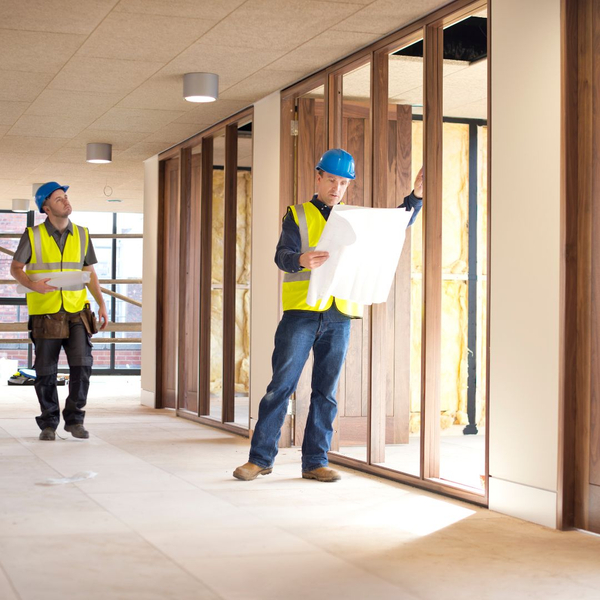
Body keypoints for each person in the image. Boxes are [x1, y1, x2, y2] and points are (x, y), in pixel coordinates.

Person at [234, 149, 423, 482]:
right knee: (281, 387)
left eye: (344, 182)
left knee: (326, 392)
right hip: (301, 314)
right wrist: (300, 259)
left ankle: (315, 462)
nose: (337, 188)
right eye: (332, 180)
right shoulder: (298, 214)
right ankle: (260, 459)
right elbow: (282, 255)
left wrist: (416, 196)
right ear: (318, 177)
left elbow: (393, 225)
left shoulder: (355, 217)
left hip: (339, 316)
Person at [10, 182, 108, 441]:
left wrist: (102, 303)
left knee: (82, 366)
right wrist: (32, 285)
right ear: (46, 207)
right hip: (46, 313)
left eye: (65, 197)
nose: (65, 201)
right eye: (58, 199)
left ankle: (74, 420)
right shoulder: (33, 236)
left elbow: (90, 273)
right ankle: (49, 423)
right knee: (45, 371)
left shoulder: (83, 234)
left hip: (77, 310)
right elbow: (16, 268)